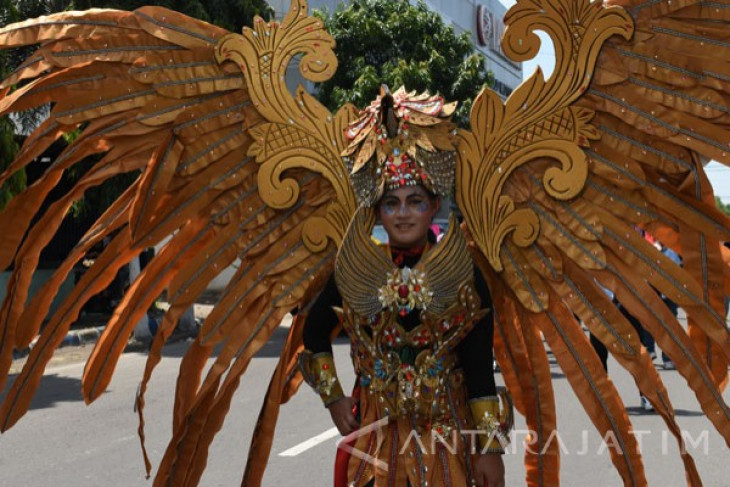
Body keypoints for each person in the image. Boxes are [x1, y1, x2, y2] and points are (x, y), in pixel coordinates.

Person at [298, 87, 509, 487]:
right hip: (375, 440)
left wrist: (490, 449)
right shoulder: (358, 268)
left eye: (415, 201)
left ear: (434, 206)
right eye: (391, 203)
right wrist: (334, 399)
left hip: (447, 438)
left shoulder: (463, 271)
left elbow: (480, 369)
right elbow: (314, 331)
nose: (403, 214)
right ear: (378, 210)